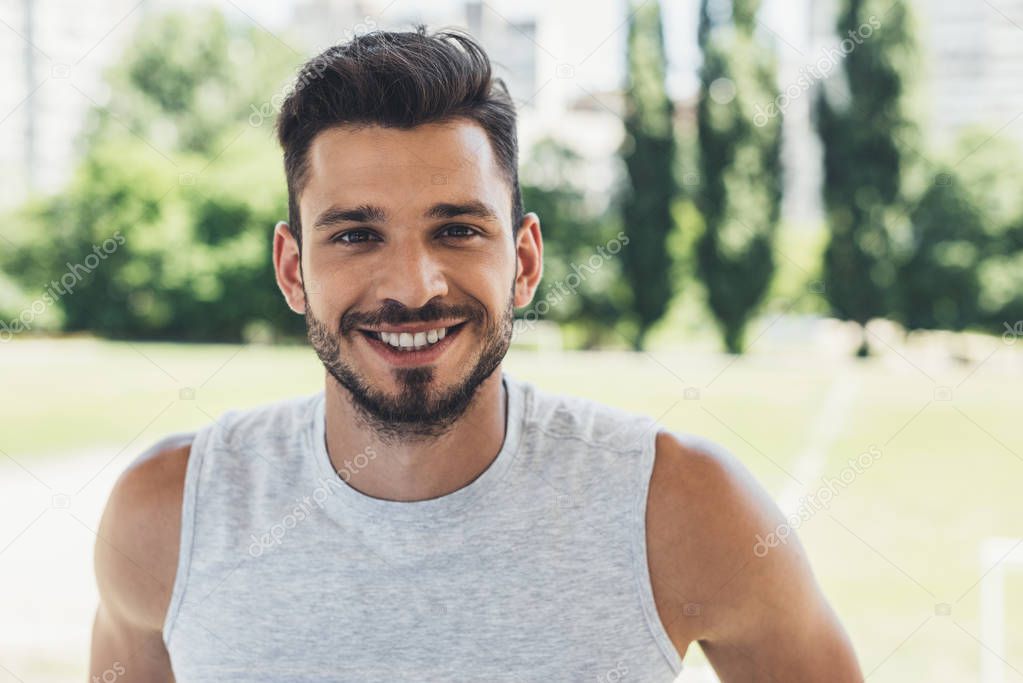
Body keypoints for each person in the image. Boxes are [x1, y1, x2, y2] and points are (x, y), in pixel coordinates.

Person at [89, 26, 862, 682]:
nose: (413, 285)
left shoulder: (684, 506)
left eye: (456, 229)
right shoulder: (165, 516)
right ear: (293, 269)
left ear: (524, 260)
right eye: (356, 234)